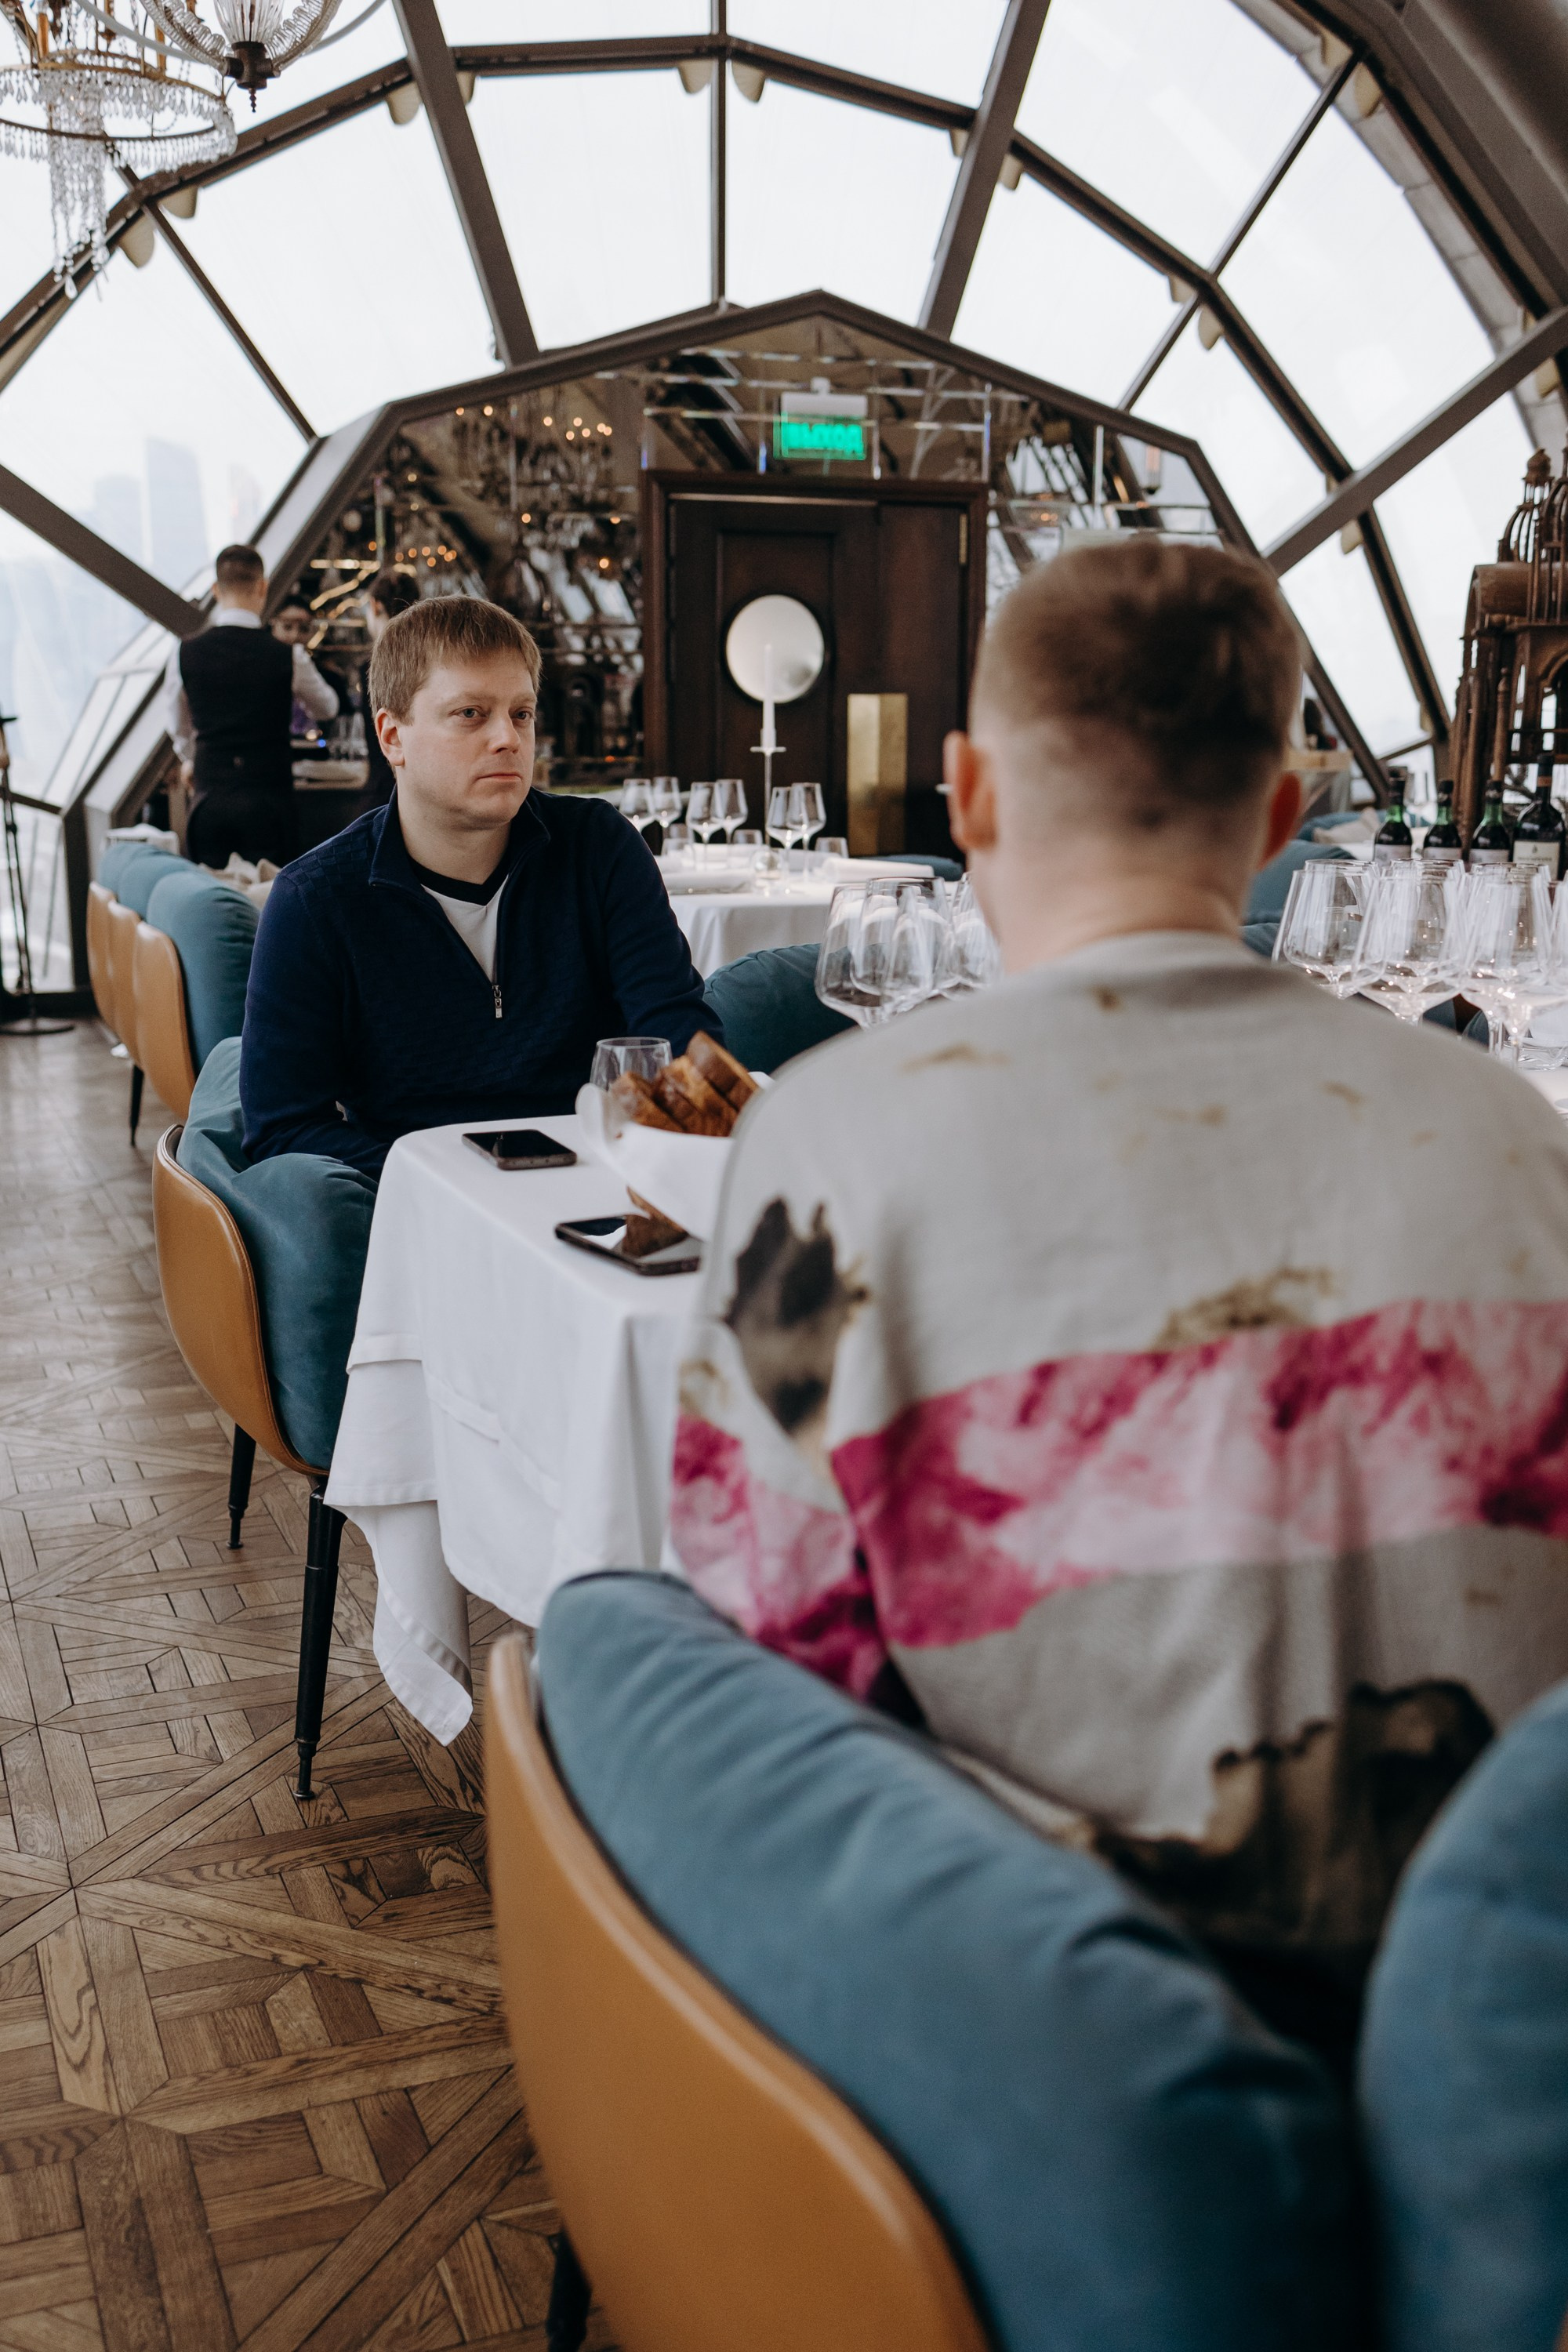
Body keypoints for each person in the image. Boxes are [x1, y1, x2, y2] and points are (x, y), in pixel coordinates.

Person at [670, 536, 1568, 2066]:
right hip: (1481, 2061)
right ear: (1285, 818)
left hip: (1031, 2057)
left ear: (967, 794)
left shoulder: (827, 1147)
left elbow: (767, 1684)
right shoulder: (1523, 1144)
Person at [240, 593, 717, 1174]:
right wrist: (463, 1180)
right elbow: (282, 1130)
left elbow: (678, 1038)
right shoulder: (315, 902)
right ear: (392, 737)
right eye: (471, 714)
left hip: (602, 1187)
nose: (508, 740)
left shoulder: (600, 848)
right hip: (423, 1217)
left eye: (521, 713)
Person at [165, 545, 339, 869]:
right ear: (263, 587)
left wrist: (195, 758)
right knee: (271, 905)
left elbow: (178, 727)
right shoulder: (287, 655)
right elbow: (327, 706)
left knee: (213, 900)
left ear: (216, 590)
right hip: (270, 801)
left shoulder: (183, 653)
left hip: (209, 800)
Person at [359, 568, 420, 808]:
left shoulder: (372, 667)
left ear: (374, 606)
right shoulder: (433, 663)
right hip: (424, 792)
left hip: (383, 792)